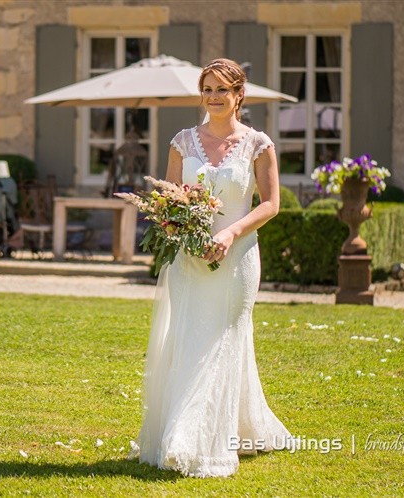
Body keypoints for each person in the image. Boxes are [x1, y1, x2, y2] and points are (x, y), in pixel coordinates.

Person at [131, 58, 292, 477]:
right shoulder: (182, 142)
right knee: (190, 338)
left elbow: (272, 204)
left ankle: (201, 439)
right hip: (190, 260)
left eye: (222, 89)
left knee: (225, 337)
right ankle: (188, 431)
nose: (214, 97)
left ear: (239, 95)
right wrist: (178, 224)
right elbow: (168, 198)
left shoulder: (259, 144)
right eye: (207, 89)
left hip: (238, 258)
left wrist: (230, 234)